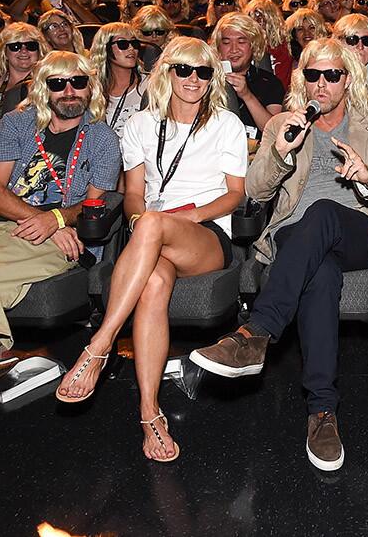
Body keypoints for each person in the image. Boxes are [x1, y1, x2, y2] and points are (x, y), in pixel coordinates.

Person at [189, 38, 368, 472]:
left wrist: (367, 173)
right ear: (302, 80)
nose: (322, 84)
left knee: (326, 211)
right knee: (321, 275)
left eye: (332, 75)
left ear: (349, 80)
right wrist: (279, 153)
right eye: (313, 75)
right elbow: (254, 191)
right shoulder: (282, 125)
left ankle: (255, 333)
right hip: (296, 237)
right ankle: (322, 413)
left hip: (359, 231)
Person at [0, 51, 121, 486]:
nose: (69, 91)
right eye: (57, 83)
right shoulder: (16, 125)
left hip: (62, 239)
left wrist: (53, 221)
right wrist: (35, 216)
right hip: (0, 227)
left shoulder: (102, 136)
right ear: (42, 88)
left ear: (91, 87)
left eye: (78, 82)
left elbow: (96, 203)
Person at [56, 38, 247, 463]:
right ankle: (150, 414)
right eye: (184, 69)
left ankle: (100, 344)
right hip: (152, 239)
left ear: (213, 78)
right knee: (154, 282)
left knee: (155, 223)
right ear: (166, 73)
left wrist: (186, 217)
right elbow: (133, 196)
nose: (193, 79)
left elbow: (235, 195)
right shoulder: (140, 125)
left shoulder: (226, 125)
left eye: (203, 72)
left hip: (206, 235)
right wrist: (145, 220)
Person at [212, 11, 284, 140]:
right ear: (218, 47)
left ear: (253, 46)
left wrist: (247, 95)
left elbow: (273, 131)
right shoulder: (205, 79)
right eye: (227, 43)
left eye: (241, 42)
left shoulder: (269, 82)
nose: (234, 49)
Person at [0, 22, 49, 131]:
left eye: (31, 46)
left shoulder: (46, 86)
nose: (23, 51)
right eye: (15, 46)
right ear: (4, 52)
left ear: (39, 51)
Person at [89, 22, 146, 139]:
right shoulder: (92, 88)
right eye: (122, 44)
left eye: (134, 44)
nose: (131, 49)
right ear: (105, 48)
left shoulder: (150, 85)